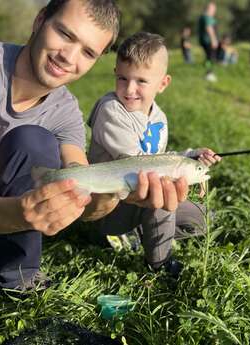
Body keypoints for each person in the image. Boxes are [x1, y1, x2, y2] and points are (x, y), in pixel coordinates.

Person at [0, 1, 190, 344]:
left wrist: (117, 191)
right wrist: (22, 212)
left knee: (35, 142)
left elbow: (84, 188)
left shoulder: (66, 109)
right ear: (40, 21)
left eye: (88, 52)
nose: (69, 57)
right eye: (64, 34)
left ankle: (11, 274)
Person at [87, 32, 221, 278]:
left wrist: (190, 157)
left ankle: (137, 234)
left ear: (163, 83)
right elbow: (140, 165)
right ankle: (159, 265)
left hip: (140, 196)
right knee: (162, 193)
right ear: (115, 72)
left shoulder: (158, 117)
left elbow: (158, 159)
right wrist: (176, 170)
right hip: (108, 206)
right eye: (122, 78)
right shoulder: (111, 110)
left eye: (141, 81)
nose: (129, 89)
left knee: (204, 218)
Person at [198, 2, 219, 82]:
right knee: (210, 57)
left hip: (206, 40)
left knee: (209, 57)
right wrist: (213, 39)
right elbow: (209, 28)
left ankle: (209, 72)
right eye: (214, 9)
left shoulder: (205, 17)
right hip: (208, 41)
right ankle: (209, 74)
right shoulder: (207, 17)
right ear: (210, 8)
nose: (214, 11)